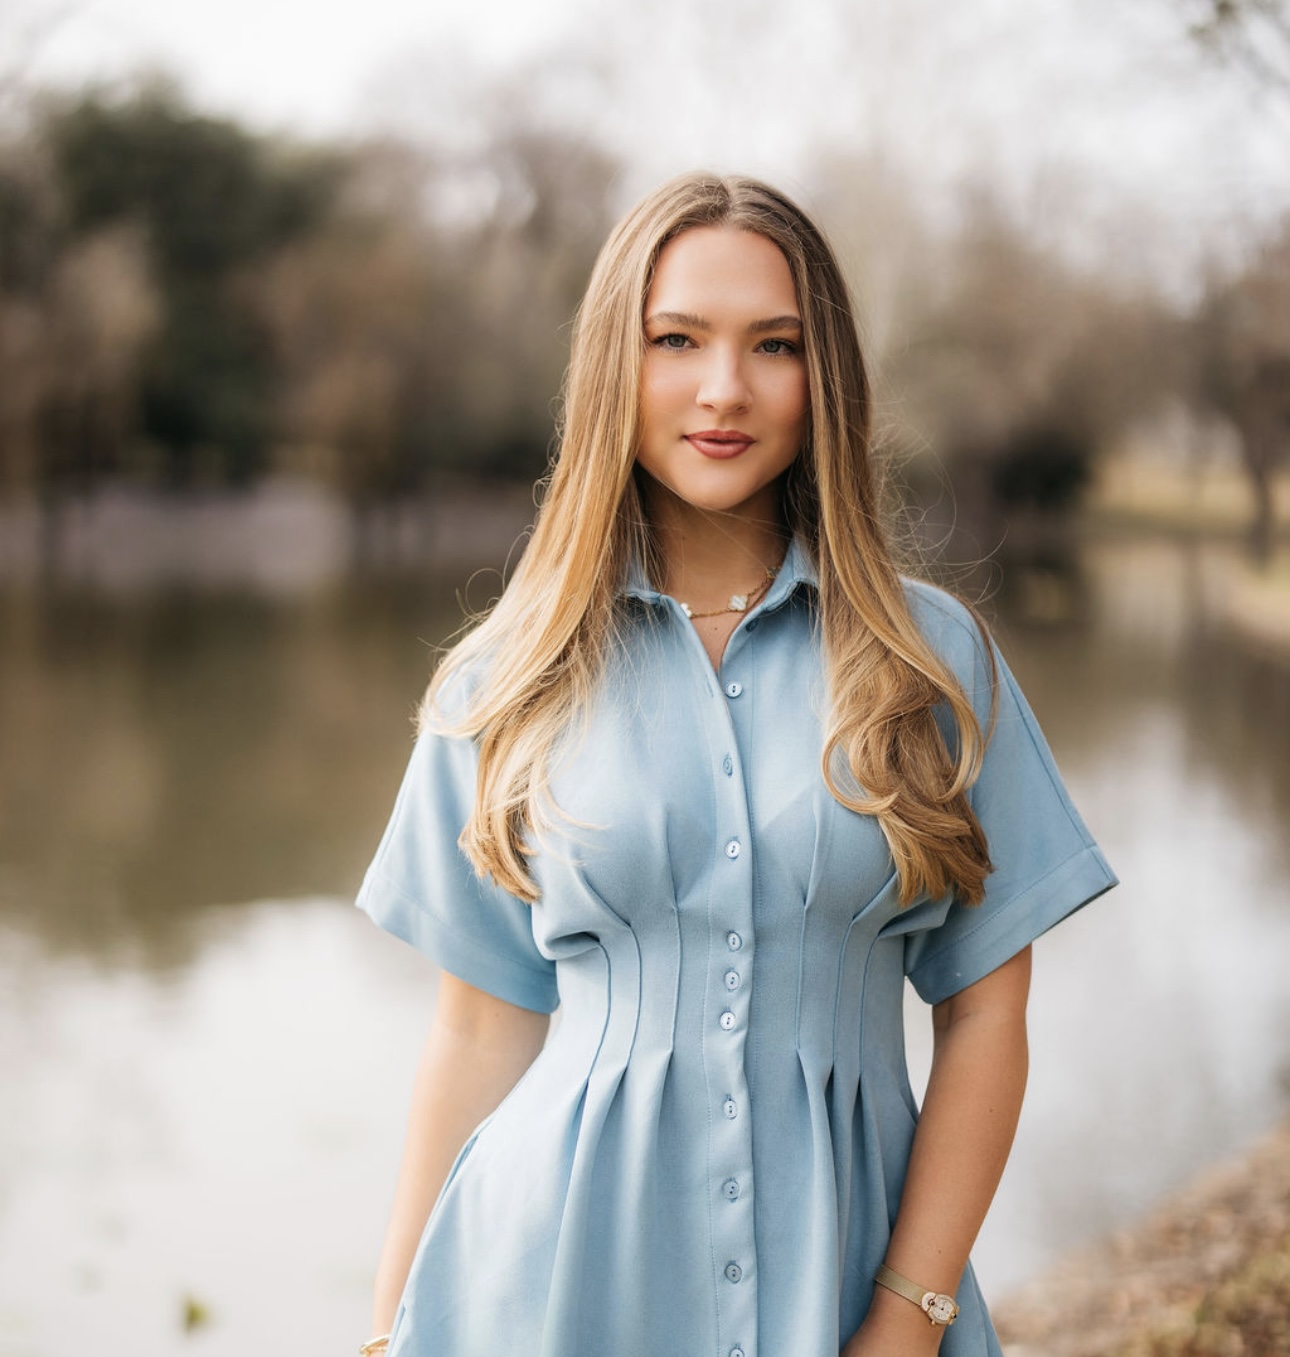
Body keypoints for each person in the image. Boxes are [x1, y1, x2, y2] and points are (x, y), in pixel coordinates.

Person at [354, 172, 1116, 1357]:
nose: (724, 389)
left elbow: (986, 1018)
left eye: (775, 344)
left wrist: (910, 1313)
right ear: (617, 363)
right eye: (676, 340)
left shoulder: (932, 662)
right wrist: (387, 1328)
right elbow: (477, 1031)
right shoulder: (506, 674)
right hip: (543, 1287)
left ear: (829, 378)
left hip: (854, 1275)